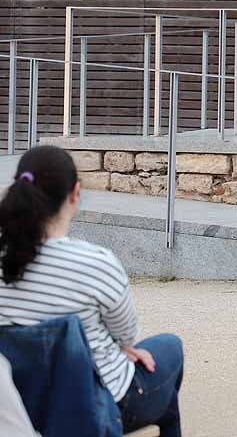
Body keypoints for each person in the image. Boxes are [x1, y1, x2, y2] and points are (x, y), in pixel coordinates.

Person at [0, 145, 185, 437]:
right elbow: (125, 335)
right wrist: (122, 347)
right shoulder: (96, 262)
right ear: (75, 193)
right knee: (170, 348)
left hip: (15, 401)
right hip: (95, 403)